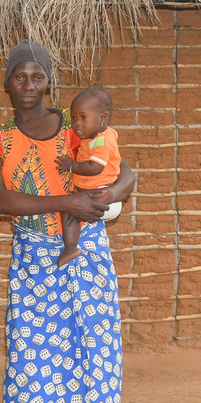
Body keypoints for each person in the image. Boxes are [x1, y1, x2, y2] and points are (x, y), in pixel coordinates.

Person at [0, 40, 134, 403]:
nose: (28, 86)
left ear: (49, 81)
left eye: (37, 76)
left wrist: (105, 195)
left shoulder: (78, 126)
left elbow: (127, 172)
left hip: (85, 256)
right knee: (29, 368)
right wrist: (67, 202)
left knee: (91, 365)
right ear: (8, 84)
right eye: (19, 77)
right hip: (33, 263)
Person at [55, 86, 122, 268]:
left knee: (68, 210)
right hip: (94, 189)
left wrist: (71, 166)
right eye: (74, 117)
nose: (77, 123)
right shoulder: (98, 136)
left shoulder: (101, 141)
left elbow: (94, 167)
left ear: (102, 118)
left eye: (83, 117)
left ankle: (70, 248)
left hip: (96, 191)